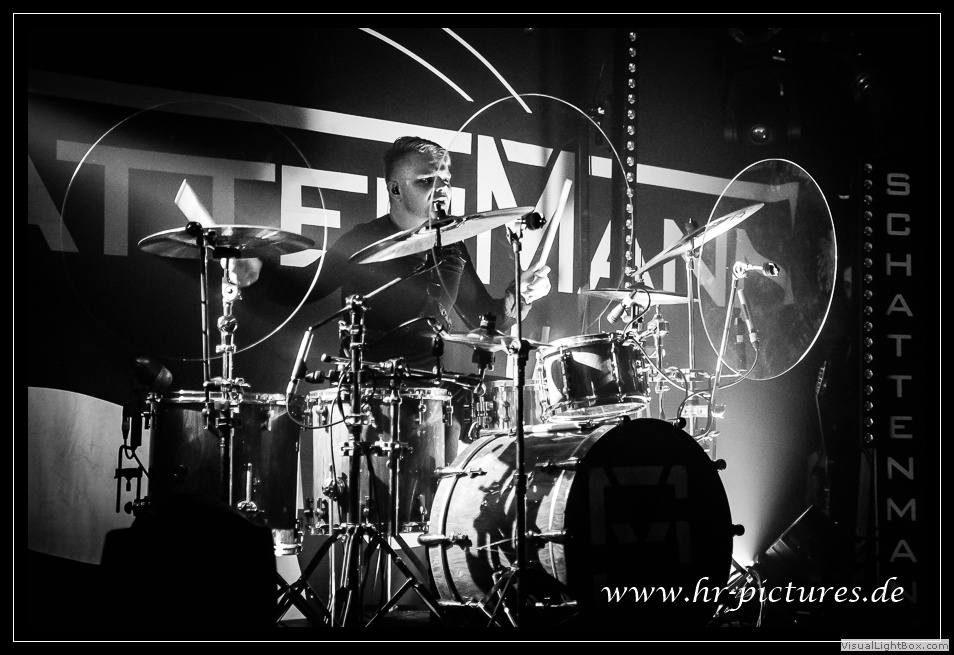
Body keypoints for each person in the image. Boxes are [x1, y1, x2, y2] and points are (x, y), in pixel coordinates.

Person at [233, 135, 551, 369]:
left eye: (446, 179)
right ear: (395, 189)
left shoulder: (452, 244)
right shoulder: (364, 240)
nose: (442, 188)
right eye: (427, 180)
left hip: (430, 392)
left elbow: (482, 319)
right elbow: (305, 287)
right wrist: (257, 273)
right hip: (366, 389)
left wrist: (518, 294)